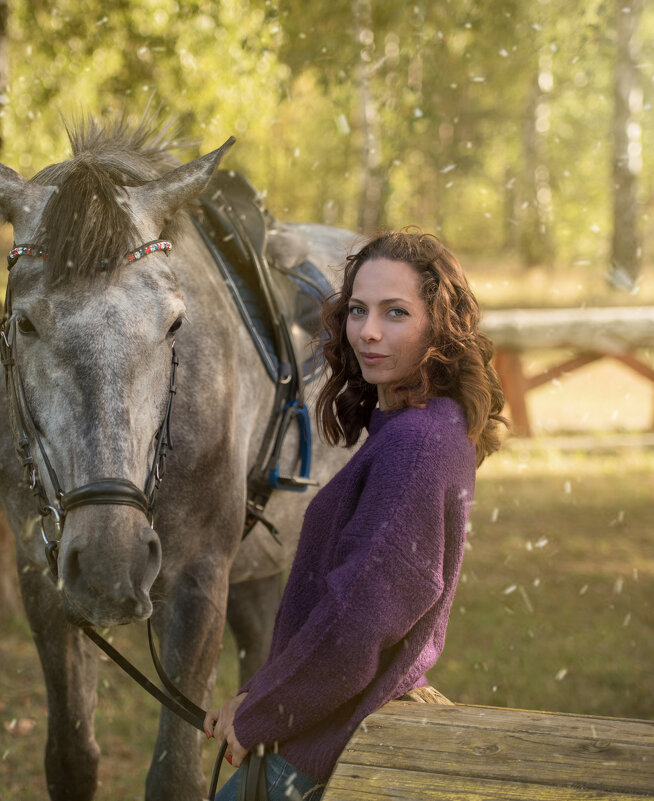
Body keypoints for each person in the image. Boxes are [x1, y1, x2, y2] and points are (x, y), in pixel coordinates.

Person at [205, 228, 506, 800]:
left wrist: (260, 717)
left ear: (440, 325)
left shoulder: (416, 447)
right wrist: (263, 696)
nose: (368, 331)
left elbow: (357, 622)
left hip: (321, 753)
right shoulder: (420, 427)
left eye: (396, 313)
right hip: (324, 724)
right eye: (359, 310)